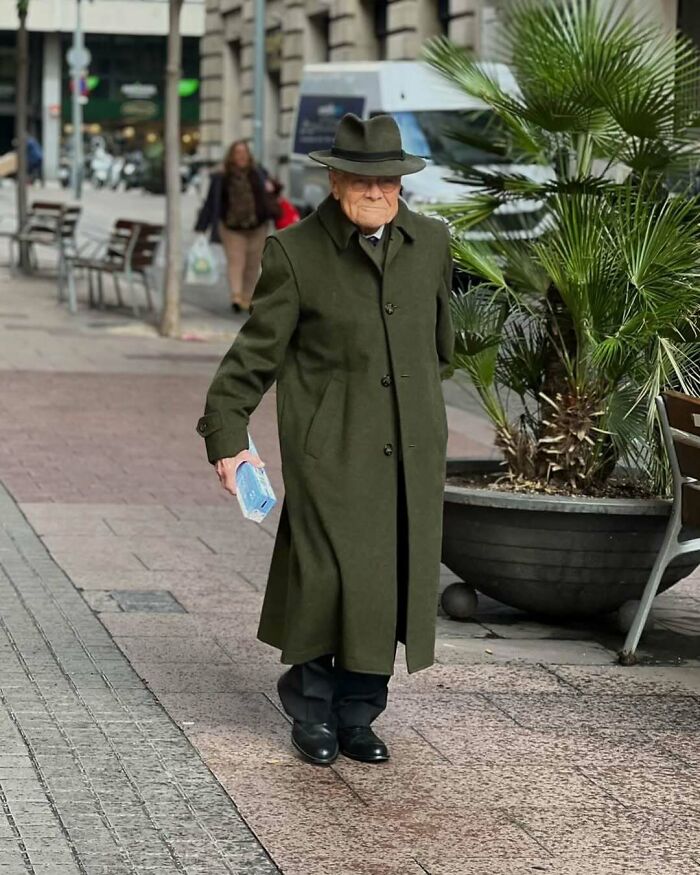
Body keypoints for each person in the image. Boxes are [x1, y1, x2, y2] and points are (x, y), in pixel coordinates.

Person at [196, 114, 454, 766]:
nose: (376, 191)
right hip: (330, 453)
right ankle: (312, 710)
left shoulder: (432, 243)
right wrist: (227, 435)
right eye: (362, 179)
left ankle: (359, 713)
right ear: (335, 180)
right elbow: (250, 360)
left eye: (388, 179)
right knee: (325, 579)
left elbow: (441, 346)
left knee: (385, 583)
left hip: (410, 453)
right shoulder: (295, 253)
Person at [195, 140, 279, 313]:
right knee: (236, 262)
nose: (241, 156)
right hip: (231, 228)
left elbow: (273, 191)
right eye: (237, 153)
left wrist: (273, 187)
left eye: (244, 152)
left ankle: (247, 298)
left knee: (253, 264)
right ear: (231, 156)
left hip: (257, 227)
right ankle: (236, 296)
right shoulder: (221, 176)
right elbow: (211, 202)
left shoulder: (258, 172)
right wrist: (202, 226)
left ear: (249, 155)